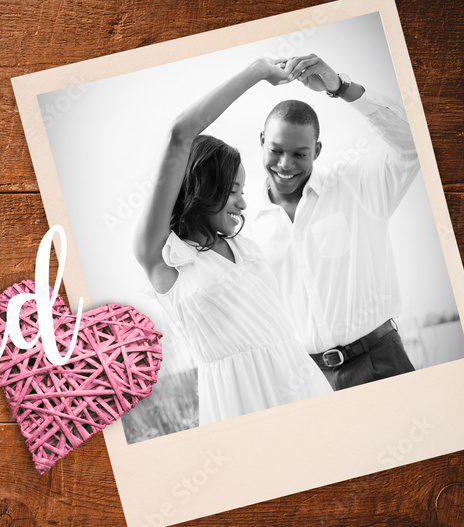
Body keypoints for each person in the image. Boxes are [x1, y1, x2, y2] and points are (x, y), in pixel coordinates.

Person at [134, 57, 332, 427]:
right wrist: (257, 71)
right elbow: (181, 134)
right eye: (232, 190)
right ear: (203, 188)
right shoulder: (166, 259)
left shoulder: (245, 247)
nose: (242, 201)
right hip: (239, 404)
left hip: (301, 386)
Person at [249, 53, 420, 390]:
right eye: (276, 150)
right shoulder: (245, 224)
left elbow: (415, 144)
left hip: (380, 363)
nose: (285, 165)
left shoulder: (358, 187)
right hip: (306, 382)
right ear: (261, 143)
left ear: (317, 150)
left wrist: (340, 87)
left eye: (300, 153)